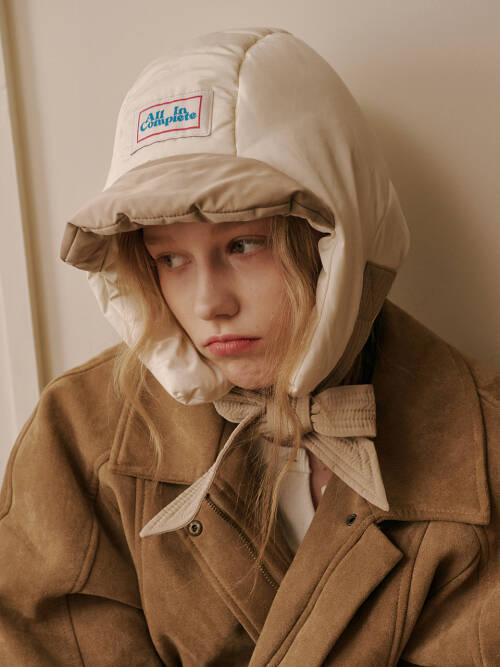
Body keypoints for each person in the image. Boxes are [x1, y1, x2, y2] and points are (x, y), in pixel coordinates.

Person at [0, 26, 499, 667]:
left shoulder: (483, 447)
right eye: (171, 259)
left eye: (243, 245)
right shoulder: (77, 435)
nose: (209, 303)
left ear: (339, 240)